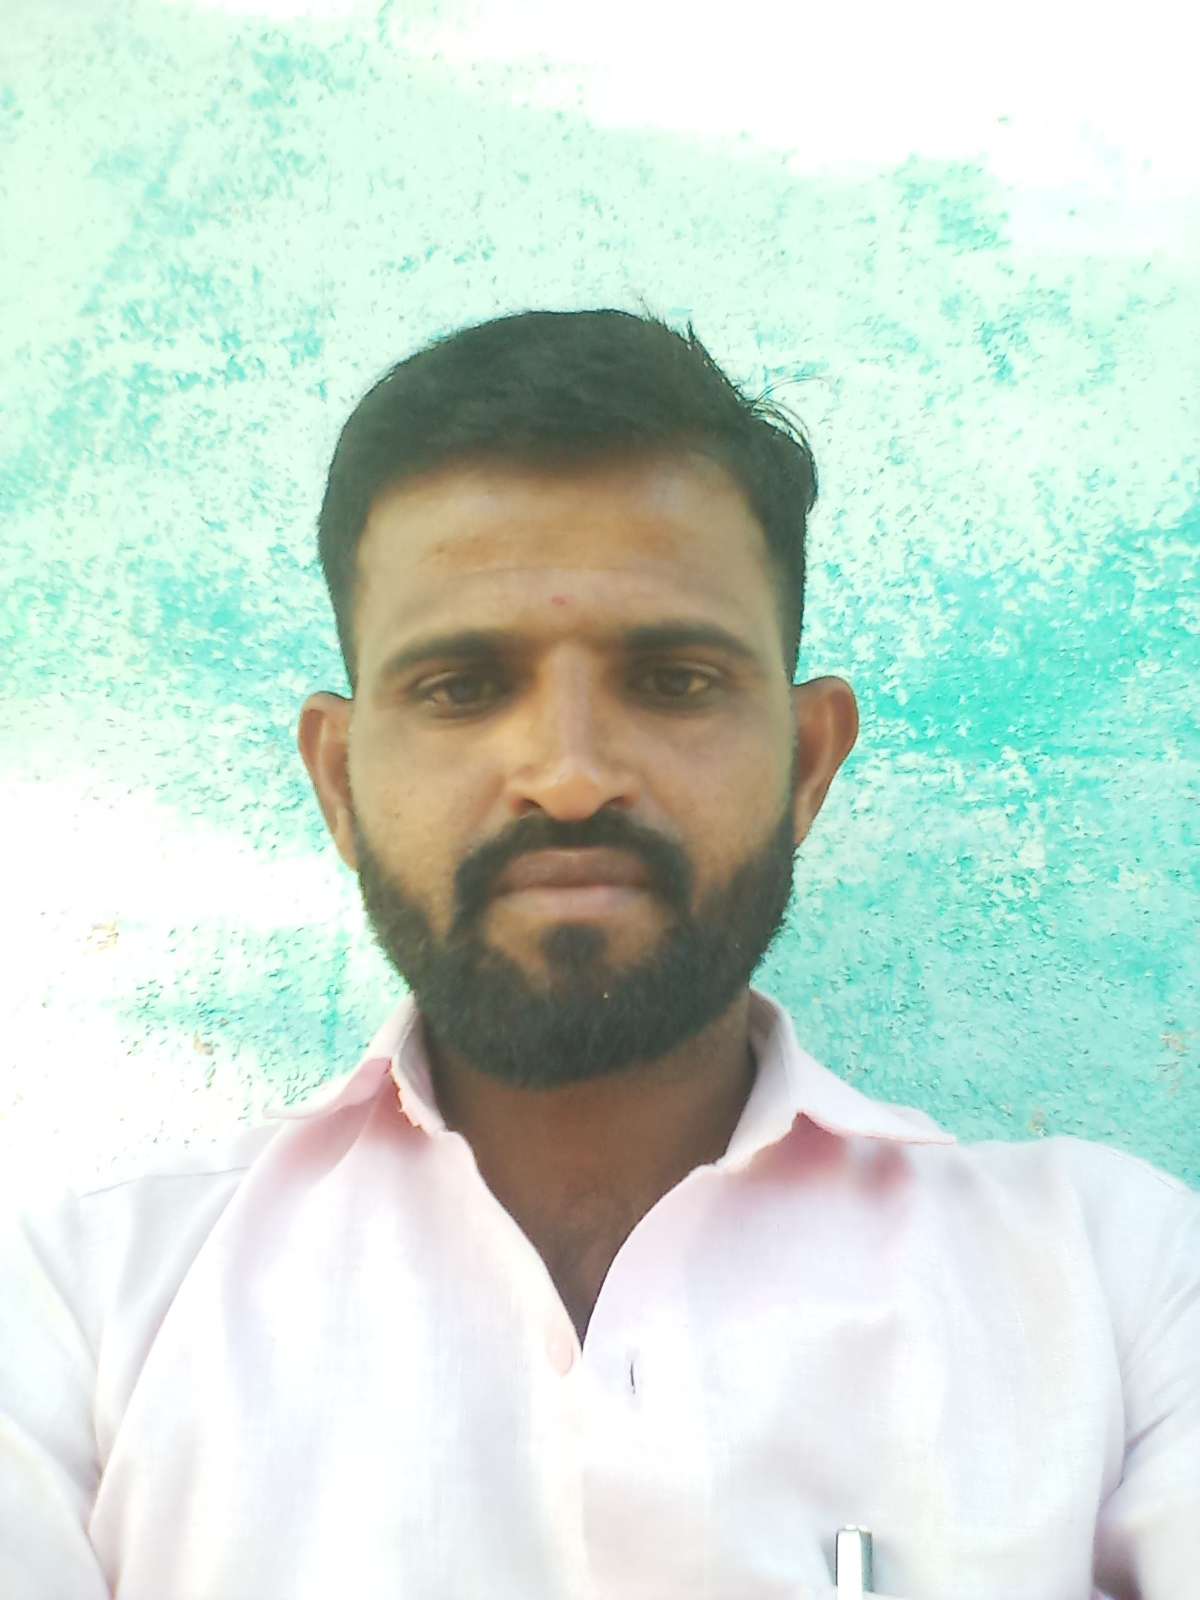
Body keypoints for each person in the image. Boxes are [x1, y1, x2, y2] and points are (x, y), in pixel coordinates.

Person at [2, 307, 1196, 1599]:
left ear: (807, 764)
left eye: (673, 680)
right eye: (463, 687)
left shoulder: (1118, 1286)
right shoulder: (81, 1310)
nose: (569, 777)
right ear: (340, 782)